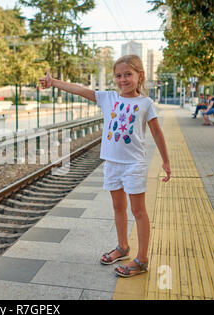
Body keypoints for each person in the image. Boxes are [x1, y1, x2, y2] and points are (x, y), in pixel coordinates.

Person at [40, 54, 171, 278]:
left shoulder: (145, 103)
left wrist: (166, 161)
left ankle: (142, 259)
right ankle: (123, 248)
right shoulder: (108, 98)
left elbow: (157, 133)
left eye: (128, 74)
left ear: (140, 76)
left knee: (138, 211)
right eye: (118, 75)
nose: (123, 80)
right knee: (118, 208)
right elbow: (80, 90)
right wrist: (54, 83)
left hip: (133, 165)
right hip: (112, 164)